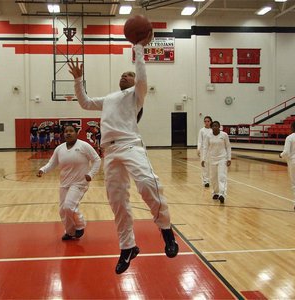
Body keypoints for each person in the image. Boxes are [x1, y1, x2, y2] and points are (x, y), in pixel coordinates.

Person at [68, 31, 179, 275]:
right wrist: (78, 80)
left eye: (128, 74)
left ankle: (166, 230)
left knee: (148, 184)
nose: (124, 75)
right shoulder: (108, 98)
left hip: (130, 145)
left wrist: (138, 47)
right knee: (117, 201)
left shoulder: (136, 94)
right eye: (122, 74)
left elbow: (141, 75)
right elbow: (85, 103)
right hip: (110, 151)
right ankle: (128, 246)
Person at [37, 124, 101, 240]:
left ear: (77, 133)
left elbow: (97, 160)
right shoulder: (59, 148)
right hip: (64, 183)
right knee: (62, 210)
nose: (68, 133)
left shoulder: (84, 146)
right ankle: (70, 232)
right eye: (66, 131)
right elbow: (52, 163)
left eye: (71, 131)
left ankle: (80, 225)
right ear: (63, 134)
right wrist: (42, 170)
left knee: (69, 206)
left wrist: (91, 174)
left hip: (79, 182)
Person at [201, 121, 231, 203]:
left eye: (216, 126)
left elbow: (228, 147)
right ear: (211, 127)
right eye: (213, 126)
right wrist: (203, 159)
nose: (215, 127)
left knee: (222, 176)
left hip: (222, 158)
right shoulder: (208, 136)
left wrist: (229, 158)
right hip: (212, 159)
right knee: (213, 177)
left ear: (219, 127)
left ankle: (222, 194)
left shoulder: (224, 135)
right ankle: (216, 192)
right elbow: (205, 148)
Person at [197, 116, 212, 187]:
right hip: (203, 150)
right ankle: (205, 181)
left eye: (208, 121)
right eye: (205, 121)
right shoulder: (202, 130)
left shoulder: (213, 130)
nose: (206, 123)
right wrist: (198, 149)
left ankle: (210, 179)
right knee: (204, 165)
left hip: (211, 150)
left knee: (211, 165)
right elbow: (200, 141)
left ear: (210, 122)